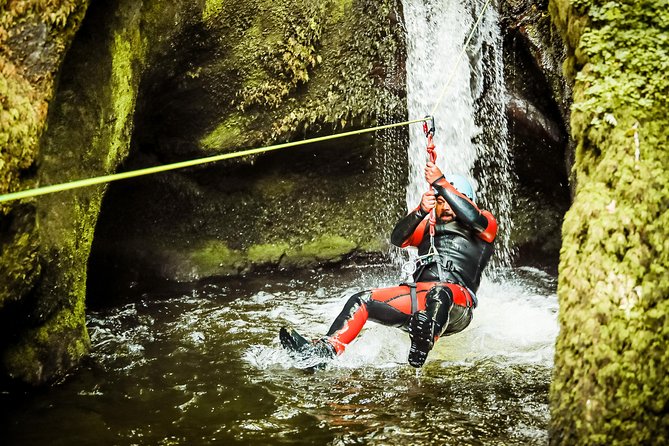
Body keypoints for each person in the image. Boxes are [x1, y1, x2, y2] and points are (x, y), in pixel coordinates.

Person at [280, 161, 498, 368]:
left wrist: (440, 181)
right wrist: (421, 210)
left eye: (452, 200)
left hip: (457, 304)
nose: (446, 206)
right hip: (420, 298)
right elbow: (398, 239)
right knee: (362, 300)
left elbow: (472, 216)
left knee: (440, 293)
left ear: (466, 201)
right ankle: (323, 354)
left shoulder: (484, 226)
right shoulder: (428, 227)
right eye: (441, 201)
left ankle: (425, 339)